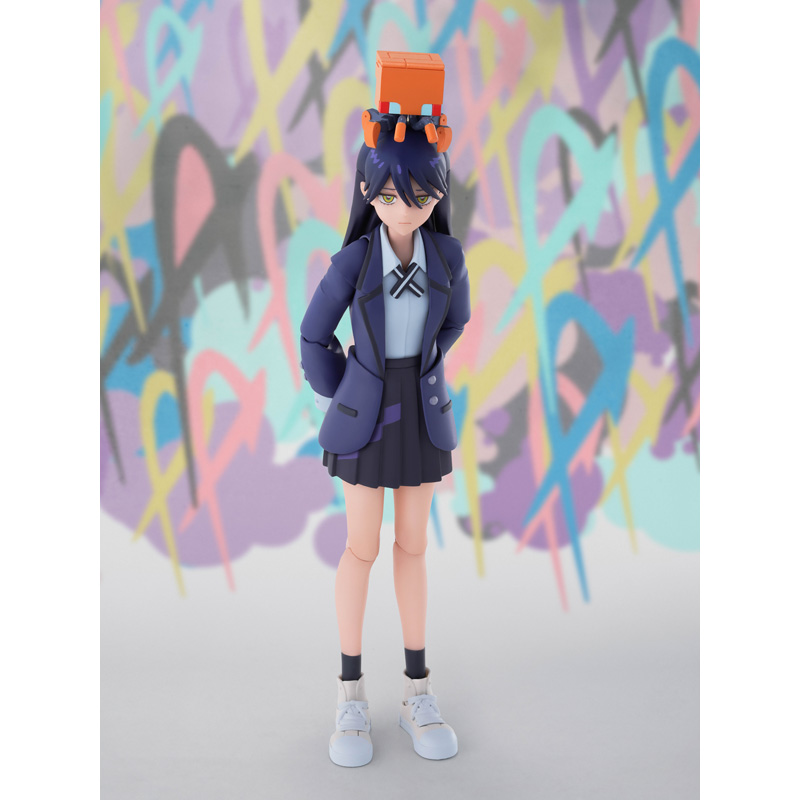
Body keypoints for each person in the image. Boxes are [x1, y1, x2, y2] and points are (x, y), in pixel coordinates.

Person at [300, 103, 470, 767]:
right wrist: (344, 390)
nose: (408, 207)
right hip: (365, 413)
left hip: (421, 408)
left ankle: (417, 690)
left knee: (414, 545)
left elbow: (455, 321)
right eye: (395, 195)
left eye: (422, 195)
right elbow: (314, 334)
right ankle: (350, 694)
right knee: (361, 546)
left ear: (438, 195)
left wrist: (426, 364)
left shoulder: (447, 256)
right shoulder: (354, 261)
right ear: (369, 192)